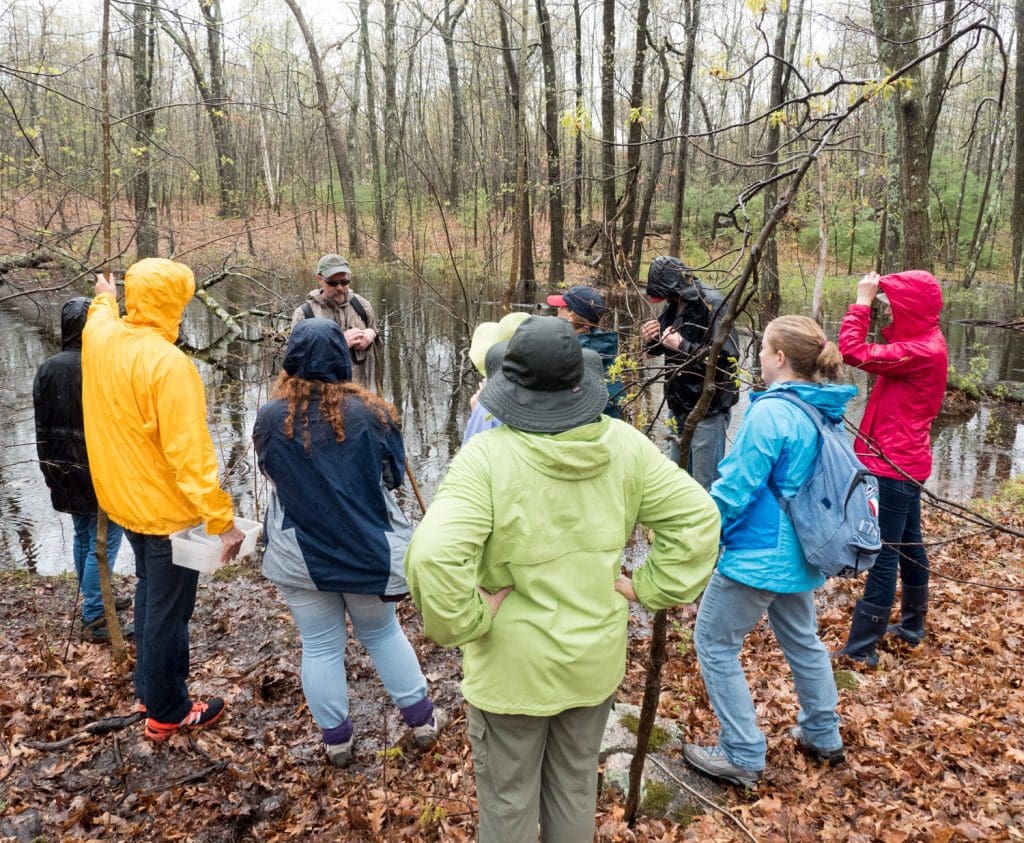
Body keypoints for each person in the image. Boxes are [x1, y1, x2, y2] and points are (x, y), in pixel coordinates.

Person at [405, 316, 720, 843]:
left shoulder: (487, 457)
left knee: (508, 803)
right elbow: (699, 519)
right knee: (575, 790)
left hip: (511, 672)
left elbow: (432, 558)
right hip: (591, 663)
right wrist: (647, 586)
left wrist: (468, 619)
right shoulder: (624, 444)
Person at [253, 318, 445, 767]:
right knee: (381, 632)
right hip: (366, 551)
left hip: (300, 555)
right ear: (342, 357)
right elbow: (393, 477)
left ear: (291, 361)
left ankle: (336, 742)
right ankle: (421, 723)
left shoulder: (268, 417)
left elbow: (271, 472)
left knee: (319, 645)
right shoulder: (374, 413)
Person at [682, 315, 851, 789]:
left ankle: (741, 754)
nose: (757, 356)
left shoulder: (773, 412)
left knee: (714, 643)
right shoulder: (821, 408)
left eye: (763, 349)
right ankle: (823, 734)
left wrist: (698, 533)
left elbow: (737, 487)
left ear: (779, 358)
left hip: (759, 554)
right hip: (802, 552)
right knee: (803, 641)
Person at [82, 258, 244, 741]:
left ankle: (149, 690)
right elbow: (190, 457)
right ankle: (169, 711)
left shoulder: (103, 340)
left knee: (152, 599)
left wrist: (105, 293)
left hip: (123, 502)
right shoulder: (170, 366)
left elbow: (99, 315)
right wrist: (222, 521)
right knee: (169, 614)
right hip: (166, 516)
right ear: (173, 304)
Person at [838, 270, 947, 666]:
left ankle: (861, 649)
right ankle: (913, 626)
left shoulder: (921, 351)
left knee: (883, 553)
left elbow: (852, 351)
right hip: (905, 459)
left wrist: (862, 304)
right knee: (908, 545)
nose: (890, 313)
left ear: (912, 310)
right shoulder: (923, 342)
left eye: (895, 305)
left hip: (893, 465)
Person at [33, 297, 130, 643]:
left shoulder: (47, 368)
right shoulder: (98, 365)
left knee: (82, 534)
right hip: (94, 467)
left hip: (59, 466)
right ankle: (93, 616)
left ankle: (98, 597)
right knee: (104, 540)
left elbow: (39, 425)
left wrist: (47, 467)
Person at [641, 256, 739, 488]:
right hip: (678, 404)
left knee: (706, 485)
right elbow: (660, 349)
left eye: (665, 294)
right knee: (678, 481)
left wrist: (683, 346)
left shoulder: (713, 304)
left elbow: (728, 358)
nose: (664, 300)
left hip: (708, 408)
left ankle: (713, 525)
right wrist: (651, 340)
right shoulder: (674, 303)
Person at [292, 254, 380, 391]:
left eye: (344, 282)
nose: (339, 287)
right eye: (333, 283)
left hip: (360, 394)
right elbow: (296, 363)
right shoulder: (304, 315)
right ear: (319, 279)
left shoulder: (363, 306)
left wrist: (372, 333)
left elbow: (377, 344)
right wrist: (339, 343)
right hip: (322, 398)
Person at [547, 284, 625, 417]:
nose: (558, 309)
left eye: (562, 306)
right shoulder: (604, 345)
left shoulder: (569, 354)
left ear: (571, 315)